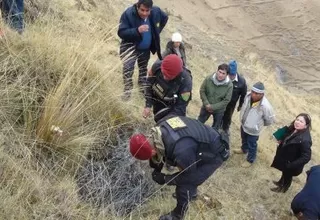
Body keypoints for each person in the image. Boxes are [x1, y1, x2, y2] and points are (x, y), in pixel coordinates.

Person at [129, 115, 229, 220]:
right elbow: (160, 152)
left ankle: (177, 215)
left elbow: (189, 176)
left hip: (216, 153)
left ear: (152, 151)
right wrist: (157, 169)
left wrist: (165, 179)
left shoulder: (181, 150)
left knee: (185, 184)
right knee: (182, 165)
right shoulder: (160, 128)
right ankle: (192, 194)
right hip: (201, 142)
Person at [117, 0, 168, 100]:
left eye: (147, 11)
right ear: (137, 6)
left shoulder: (156, 12)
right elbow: (121, 32)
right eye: (142, 10)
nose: (144, 13)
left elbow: (165, 18)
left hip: (145, 49)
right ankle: (128, 90)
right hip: (130, 47)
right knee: (128, 69)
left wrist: (156, 32)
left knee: (143, 68)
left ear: (151, 9)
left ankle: (141, 86)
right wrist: (137, 30)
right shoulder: (128, 14)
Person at [233, 82, 275, 168]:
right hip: (244, 125)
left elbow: (269, 120)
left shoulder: (266, 106)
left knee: (252, 145)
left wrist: (257, 125)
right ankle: (244, 149)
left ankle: (250, 160)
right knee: (244, 139)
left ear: (262, 94)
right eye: (253, 92)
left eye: (257, 93)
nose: (253, 94)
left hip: (253, 130)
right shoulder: (247, 96)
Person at [143, 54, 192, 122]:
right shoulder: (156, 66)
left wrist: (166, 122)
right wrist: (148, 105)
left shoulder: (186, 81)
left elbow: (181, 107)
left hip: (171, 106)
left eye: (169, 76)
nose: (165, 77)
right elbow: (148, 84)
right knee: (157, 117)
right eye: (163, 73)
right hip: (158, 98)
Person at [270, 113, 312, 193]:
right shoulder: (293, 128)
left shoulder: (305, 140)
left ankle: (283, 188)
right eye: (297, 119)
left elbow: (306, 157)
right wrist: (281, 140)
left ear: (306, 126)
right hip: (286, 159)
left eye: (301, 121)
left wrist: (292, 164)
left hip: (292, 164)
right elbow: (287, 138)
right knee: (284, 172)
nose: (297, 122)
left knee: (288, 176)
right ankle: (280, 182)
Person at [198, 63, 233, 130]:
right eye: (220, 72)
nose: (220, 75)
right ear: (217, 71)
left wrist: (213, 107)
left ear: (227, 75)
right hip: (206, 106)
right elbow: (202, 90)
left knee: (215, 129)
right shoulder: (209, 79)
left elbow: (226, 100)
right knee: (199, 123)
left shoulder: (229, 85)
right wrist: (206, 103)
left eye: (223, 73)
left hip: (219, 110)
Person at [221, 60, 247, 135]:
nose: (231, 76)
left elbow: (243, 95)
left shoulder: (241, 82)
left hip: (231, 104)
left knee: (228, 117)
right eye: (229, 74)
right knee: (219, 115)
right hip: (221, 101)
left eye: (232, 74)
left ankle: (226, 129)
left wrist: (240, 105)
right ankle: (216, 127)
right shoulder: (223, 76)